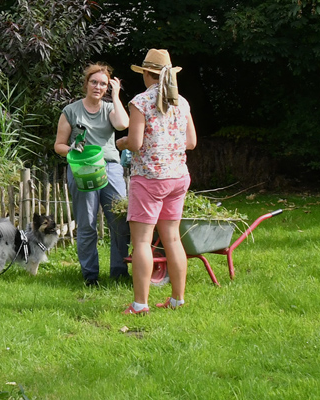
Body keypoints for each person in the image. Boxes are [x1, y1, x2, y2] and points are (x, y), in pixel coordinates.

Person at [115, 49, 197, 314]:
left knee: (141, 242)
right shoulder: (181, 102)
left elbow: (136, 143)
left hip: (149, 178)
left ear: (146, 74)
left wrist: (122, 142)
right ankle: (177, 300)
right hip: (178, 177)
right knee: (172, 239)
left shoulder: (141, 102)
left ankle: (140, 304)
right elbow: (191, 143)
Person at [53, 62, 132, 286]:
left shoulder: (109, 109)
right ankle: (90, 275)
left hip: (110, 168)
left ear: (107, 88)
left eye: (103, 84)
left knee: (119, 222)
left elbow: (123, 123)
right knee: (87, 223)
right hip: (82, 170)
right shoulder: (71, 111)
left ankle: (119, 272)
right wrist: (72, 149)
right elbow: (58, 145)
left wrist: (116, 95)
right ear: (86, 83)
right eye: (94, 82)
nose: (98, 87)